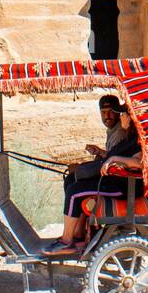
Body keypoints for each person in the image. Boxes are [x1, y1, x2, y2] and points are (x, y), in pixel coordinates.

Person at [42, 96, 141, 256]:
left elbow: (139, 163)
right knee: (74, 184)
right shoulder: (130, 136)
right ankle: (78, 235)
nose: (121, 117)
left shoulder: (134, 137)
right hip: (118, 182)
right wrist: (107, 156)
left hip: (126, 187)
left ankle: (67, 241)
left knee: (74, 192)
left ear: (130, 117)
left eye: (123, 114)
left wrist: (114, 159)